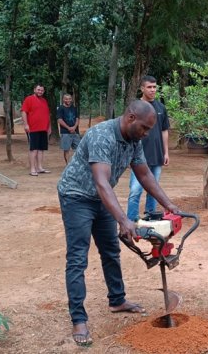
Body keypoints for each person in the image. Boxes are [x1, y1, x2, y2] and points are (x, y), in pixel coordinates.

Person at [57, 100, 181, 347]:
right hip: (77, 197)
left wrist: (169, 205)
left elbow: (144, 174)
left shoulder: (134, 141)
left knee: (111, 251)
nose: (146, 134)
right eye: (145, 128)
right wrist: (123, 220)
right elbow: (102, 182)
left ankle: (117, 300)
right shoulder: (102, 135)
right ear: (131, 118)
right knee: (78, 258)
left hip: (101, 198)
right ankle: (79, 319)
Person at [126, 75, 170, 221]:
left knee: (153, 189)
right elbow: (127, 130)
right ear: (142, 88)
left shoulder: (161, 108)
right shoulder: (135, 107)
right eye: (149, 87)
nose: (152, 90)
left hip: (157, 155)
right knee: (135, 190)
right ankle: (131, 219)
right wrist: (128, 154)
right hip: (139, 157)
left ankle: (150, 215)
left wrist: (166, 152)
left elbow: (164, 130)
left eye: (154, 87)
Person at [21, 84, 52, 176]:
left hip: (43, 128)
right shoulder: (29, 99)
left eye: (42, 90)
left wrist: (49, 127)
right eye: (38, 90)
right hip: (33, 129)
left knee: (41, 149)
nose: (40, 92)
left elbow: (47, 115)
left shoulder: (44, 101)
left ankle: (39, 167)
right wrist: (26, 124)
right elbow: (24, 112)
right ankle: (32, 169)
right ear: (34, 90)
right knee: (33, 149)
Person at [56, 93, 80, 164]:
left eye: (69, 98)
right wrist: (68, 128)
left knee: (78, 149)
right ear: (63, 99)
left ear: (71, 99)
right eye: (66, 99)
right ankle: (68, 165)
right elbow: (59, 120)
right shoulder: (60, 108)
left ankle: (77, 164)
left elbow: (77, 118)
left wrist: (74, 127)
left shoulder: (74, 108)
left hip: (75, 132)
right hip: (65, 132)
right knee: (66, 149)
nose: (68, 100)